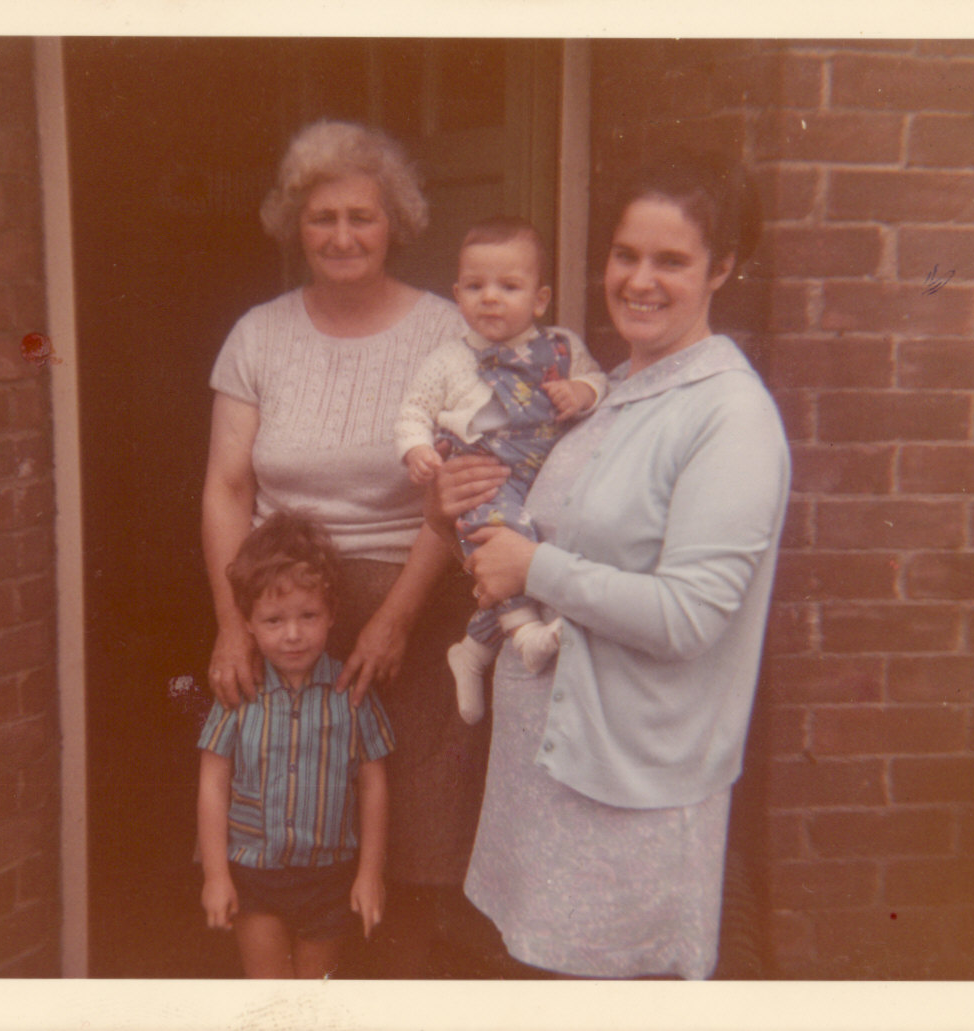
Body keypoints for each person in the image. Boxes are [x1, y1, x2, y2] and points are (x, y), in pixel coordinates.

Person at [433, 148, 790, 980]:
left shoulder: (729, 415)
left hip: (629, 789)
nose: (640, 280)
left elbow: (691, 617)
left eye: (672, 260)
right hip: (548, 775)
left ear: (723, 268)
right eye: (626, 255)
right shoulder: (614, 387)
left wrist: (534, 568)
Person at [202, 119, 490, 976]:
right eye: (322, 217)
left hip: (412, 592)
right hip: (286, 611)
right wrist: (230, 623)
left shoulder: (446, 332)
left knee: (412, 825)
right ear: (296, 224)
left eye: (361, 217)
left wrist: (398, 617)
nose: (341, 236)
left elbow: (456, 486)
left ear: (394, 222)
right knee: (283, 821)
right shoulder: (258, 334)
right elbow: (227, 487)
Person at [394, 216, 607, 724]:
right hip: (486, 481)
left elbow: (600, 382)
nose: (490, 298)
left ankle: (473, 649)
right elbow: (412, 411)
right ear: (457, 294)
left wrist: (579, 393)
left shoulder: (562, 348)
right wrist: (416, 449)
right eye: (475, 286)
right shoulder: (448, 360)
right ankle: (524, 636)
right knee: (505, 544)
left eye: (508, 286)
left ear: (539, 299)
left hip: (545, 479)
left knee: (538, 552)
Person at [196, 511, 393, 978]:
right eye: (273, 619)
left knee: (312, 1005)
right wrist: (216, 876)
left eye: (308, 616)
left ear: (331, 615)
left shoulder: (352, 694)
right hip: (254, 876)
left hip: (329, 876)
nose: (292, 633)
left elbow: (373, 787)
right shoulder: (238, 695)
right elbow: (212, 784)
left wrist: (369, 874)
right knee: (271, 1000)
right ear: (246, 623)